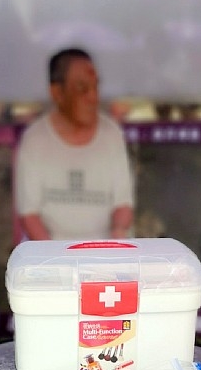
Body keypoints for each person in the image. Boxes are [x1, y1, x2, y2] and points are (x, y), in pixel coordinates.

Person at [15, 48, 134, 240]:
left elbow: (123, 204)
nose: (93, 98)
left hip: (104, 250)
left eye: (95, 87)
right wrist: (56, 255)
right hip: (51, 251)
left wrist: (117, 236)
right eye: (82, 88)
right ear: (57, 93)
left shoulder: (112, 135)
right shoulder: (34, 140)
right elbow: (29, 215)